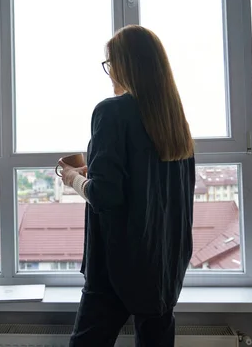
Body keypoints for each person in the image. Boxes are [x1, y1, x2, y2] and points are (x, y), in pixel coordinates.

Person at [58, 25, 196, 347]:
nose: (109, 73)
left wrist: (73, 178)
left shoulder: (111, 111)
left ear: (125, 65)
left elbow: (105, 196)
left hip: (116, 265)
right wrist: (95, 170)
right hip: (164, 262)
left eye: (110, 63)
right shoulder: (175, 120)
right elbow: (152, 180)